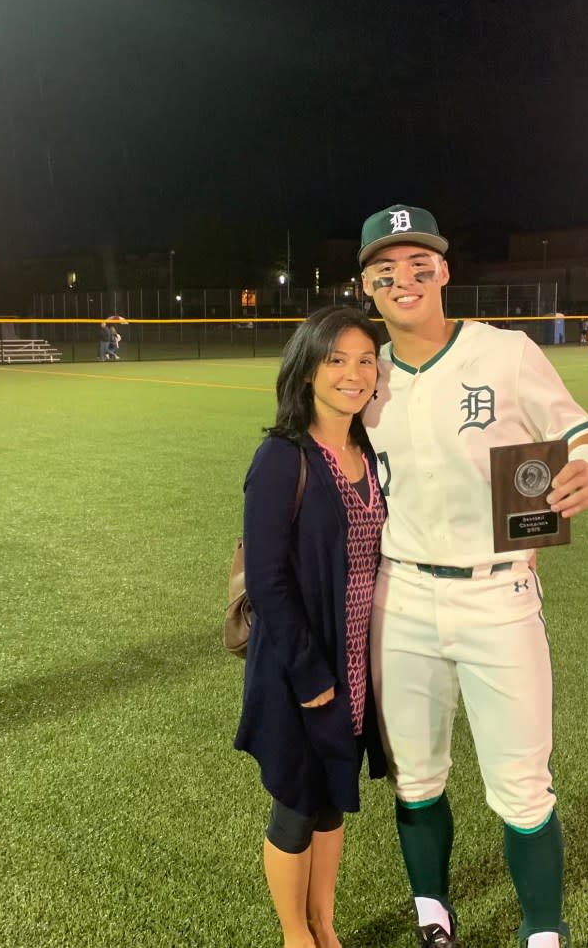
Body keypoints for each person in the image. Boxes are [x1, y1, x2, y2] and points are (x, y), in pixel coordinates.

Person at [358, 204, 588, 948]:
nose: (404, 280)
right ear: (366, 285)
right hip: (399, 596)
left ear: (444, 271)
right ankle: (434, 916)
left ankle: (542, 932)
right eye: (385, 270)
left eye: (419, 264)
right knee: (416, 776)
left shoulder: (506, 352)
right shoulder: (363, 370)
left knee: (523, 786)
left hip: (498, 590)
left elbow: (580, 434)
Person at [234, 305, 388, 948]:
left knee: (332, 800)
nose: (355, 374)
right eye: (337, 360)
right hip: (304, 667)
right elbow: (268, 581)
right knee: (296, 807)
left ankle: (325, 924)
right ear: (307, 373)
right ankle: (296, 935)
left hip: (356, 661)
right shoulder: (282, 457)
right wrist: (308, 675)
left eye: (366, 360)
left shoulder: (366, 447)